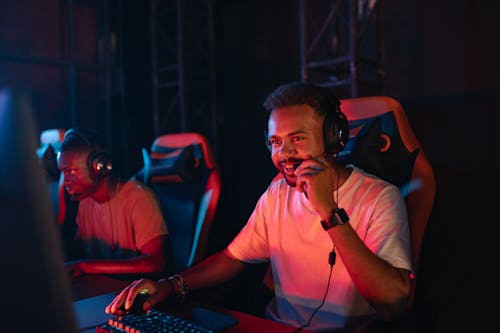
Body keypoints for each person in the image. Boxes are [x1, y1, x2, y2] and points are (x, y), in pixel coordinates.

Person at [105, 82, 413, 332]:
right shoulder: (277, 193)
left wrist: (329, 212)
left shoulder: (379, 197)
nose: (285, 153)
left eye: (298, 138)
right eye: (276, 142)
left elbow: (393, 304)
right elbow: (232, 258)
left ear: (335, 138)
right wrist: (170, 285)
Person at [57, 127, 170, 278]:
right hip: (105, 290)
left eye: (71, 172)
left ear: (99, 167)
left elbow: (155, 263)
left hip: (137, 293)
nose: (65, 182)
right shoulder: (86, 202)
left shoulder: (139, 198)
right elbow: (78, 247)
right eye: (63, 173)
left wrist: (84, 266)